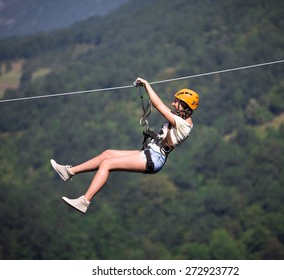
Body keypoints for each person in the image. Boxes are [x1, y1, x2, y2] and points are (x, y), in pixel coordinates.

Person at [50, 77, 199, 213]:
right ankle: (69, 172)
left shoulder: (183, 124)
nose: (173, 103)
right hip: (150, 153)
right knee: (107, 154)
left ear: (184, 105)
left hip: (154, 158)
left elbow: (159, 105)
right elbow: (162, 107)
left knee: (107, 164)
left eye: (176, 101)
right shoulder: (180, 117)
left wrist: (146, 84)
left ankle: (84, 201)